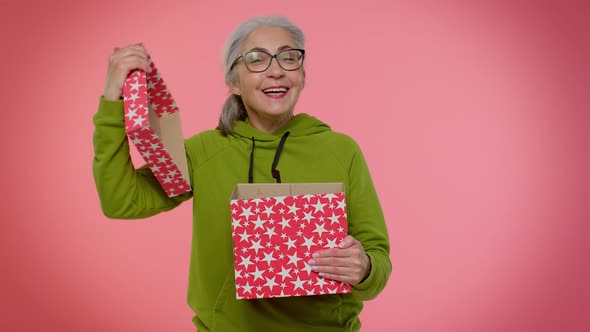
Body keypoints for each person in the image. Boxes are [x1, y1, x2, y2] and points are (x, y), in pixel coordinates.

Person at [93, 15, 391, 332]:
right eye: (256, 59)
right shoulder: (204, 153)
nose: (275, 70)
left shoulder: (341, 151)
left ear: (301, 75)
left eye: (289, 58)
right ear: (234, 82)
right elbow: (120, 200)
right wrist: (114, 100)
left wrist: (364, 267)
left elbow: (377, 261)